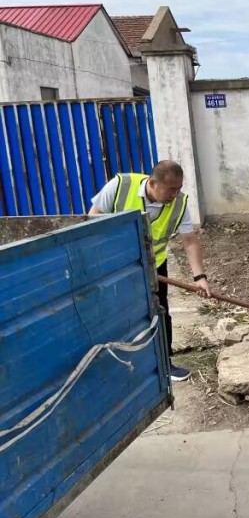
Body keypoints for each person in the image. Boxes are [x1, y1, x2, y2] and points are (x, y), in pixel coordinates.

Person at [89, 160, 212, 382]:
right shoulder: (120, 186)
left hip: (154, 265)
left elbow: (190, 241)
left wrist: (200, 277)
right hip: (116, 266)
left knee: (159, 311)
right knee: (118, 314)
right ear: (153, 183)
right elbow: (92, 221)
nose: (175, 194)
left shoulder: (179, 203)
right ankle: (119, 365)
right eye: (171, 189)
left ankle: (165, 363)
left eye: (178, 188)